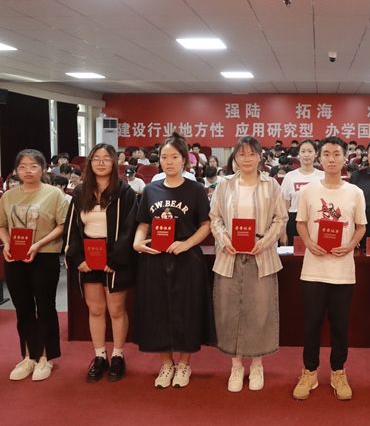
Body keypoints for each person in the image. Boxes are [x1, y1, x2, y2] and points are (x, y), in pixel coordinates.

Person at [133, 133, 215, 389]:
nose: (168, 162)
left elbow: (206, 224)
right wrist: (137, 242)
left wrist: (187, 243)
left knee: (187, 312)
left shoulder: (195, 189)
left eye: (174, 157)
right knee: (158, 312)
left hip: (186, 259)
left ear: (184, 160)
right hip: (155, 260)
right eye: (164, 157)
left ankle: (184, 364)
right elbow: (143, 223)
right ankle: (166, 363)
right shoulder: (150, 190)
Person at [210, 136, 288, 393]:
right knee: (229, 310)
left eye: (251, 154)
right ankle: (235, 366)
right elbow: (215, 218)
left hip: (261, 256)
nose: (246, 159)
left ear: (259, 157)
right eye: (241, 154)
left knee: (260, 311)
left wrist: (264, 242)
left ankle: (256, 364)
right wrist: (223, 239)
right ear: (235, 157)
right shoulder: (224, 185)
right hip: (229, 256)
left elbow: (280, 219)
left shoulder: (271, 185)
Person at [292, 136, 366, 401]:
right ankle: (309, 371)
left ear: (345, 158)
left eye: (336, 154)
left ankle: (338, 371)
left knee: (340, 325)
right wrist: (309, 242)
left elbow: (361, 227)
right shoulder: (308, 191)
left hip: (342, 270)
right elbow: (300, 223)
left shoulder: (355, 192)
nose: (331, 159)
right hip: (314, 269)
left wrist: (350, 246)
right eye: (326, 154)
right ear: (319, 158)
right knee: (311, 323)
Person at [63, 144, 138, 383]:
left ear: (114, 163)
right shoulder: (80, 192)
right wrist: (78, 258)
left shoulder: (125, 192)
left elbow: (130, 228)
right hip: (88, 256)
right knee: (95, 309)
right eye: (96, 158)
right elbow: (72, 228)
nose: (101, 162)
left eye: (107, 158)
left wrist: (115, 259)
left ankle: (117, 355)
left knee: (116, 310)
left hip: (116, 257)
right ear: (90, 163)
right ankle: (99, 356)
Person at [0, 149, 68, 381]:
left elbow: (62, 225)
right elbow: (2, 225)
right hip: (15, 257)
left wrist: (38, 245)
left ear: (43, 169)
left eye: (33, 166)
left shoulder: (54, 194)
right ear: (16, 170)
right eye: (22, 167)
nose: (27, 171)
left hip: (45, 256)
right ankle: (29, 356)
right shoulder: (8, 196)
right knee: (23, 308)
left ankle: (45, 357)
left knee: (45, 306)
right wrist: (7, 243)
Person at [280, 139, 324, 245]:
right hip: (294, 220)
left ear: (316, 154)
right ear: (298, 154)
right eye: (303, 151)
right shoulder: (290, 177)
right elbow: (284, 207)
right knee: (295, 253)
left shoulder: (323, 176)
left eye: (310, 151)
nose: (306, 155)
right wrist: (283, 232)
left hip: (317, 220)